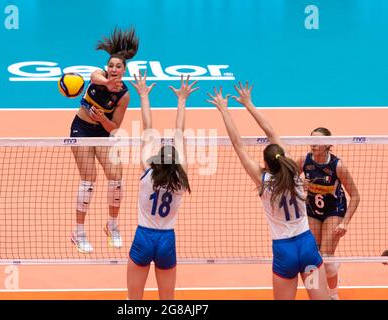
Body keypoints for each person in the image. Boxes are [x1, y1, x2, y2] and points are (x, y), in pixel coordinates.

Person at [207, 82, 330, 300]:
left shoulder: (263, 181)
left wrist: (224, 110)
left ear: (265, 163)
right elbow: (271, 131)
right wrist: (249, 104)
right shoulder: (293, 171)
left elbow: (238, 144)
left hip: (285, 253)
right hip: (307, 247)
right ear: (281, 157)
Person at [126, 72, 198, 300]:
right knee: (168, 301)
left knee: (133, 301)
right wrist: (182, 100)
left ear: (156, 158)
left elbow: (148, 128)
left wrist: (144, 96)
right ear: (177, 160)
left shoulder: (147, 172)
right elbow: (180, 133)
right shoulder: (180, 179)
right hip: (167, 239)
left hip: (143, 237)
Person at [70, 27, 139, 253]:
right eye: (111, 65)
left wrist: (102, 119)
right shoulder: (99, 76)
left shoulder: (124, 95)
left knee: (116, 177)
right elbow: (93, 77)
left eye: (118, 66)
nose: (113, 69)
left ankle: (112, 226)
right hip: (80, 130)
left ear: (124, 69)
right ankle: (78, 232)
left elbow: (115, 127)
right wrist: (107, 83)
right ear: (107, 67)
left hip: (102, 133)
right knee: (89, 179)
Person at [299, 127, 360, 299]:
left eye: (317, 141)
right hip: (312, 211)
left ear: (327, 144)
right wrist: (300, 187)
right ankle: (317, 292)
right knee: (312, 256)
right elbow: (290, 180)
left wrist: (345, 222)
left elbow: (355, 196)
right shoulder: (304, 161)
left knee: (325, 258)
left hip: (334, 211)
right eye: (311, 140)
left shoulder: (337, 166)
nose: (313, 144)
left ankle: (333, 295)